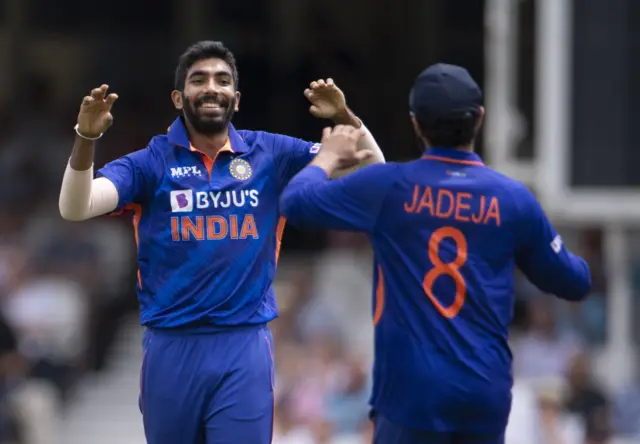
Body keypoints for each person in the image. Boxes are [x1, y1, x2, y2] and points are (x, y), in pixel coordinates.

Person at [58, 40, 384, 444]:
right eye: (199, 80)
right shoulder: (151, 162)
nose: (211, 87)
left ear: (237, 97)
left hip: (243, 347)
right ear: (179, 97)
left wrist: (343, 116)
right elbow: (77, 206)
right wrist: (85, 138)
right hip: (170, 347)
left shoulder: (271, 152)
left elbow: (374, 169)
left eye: (222, 80)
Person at [279, 63, 591, 444]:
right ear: (479, 118)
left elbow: (296, 202)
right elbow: (575, 282)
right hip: (482, 394)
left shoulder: (390, 188)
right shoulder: (513, 200)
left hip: (410, 394)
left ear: (416, 124)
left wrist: (328, 155)